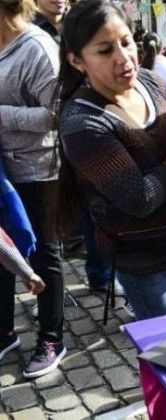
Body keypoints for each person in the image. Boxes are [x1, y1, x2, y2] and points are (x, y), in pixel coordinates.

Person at [57, 0, 166, 320]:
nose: (124, 58)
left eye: (126, 42)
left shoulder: (151, 81)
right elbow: (139, 198)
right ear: (77, 60)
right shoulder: (83, 122)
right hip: (141, 257)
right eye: (105, 51)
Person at [0, 0, 67, 378]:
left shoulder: (37, 48)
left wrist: (2, 115)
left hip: (39, 171)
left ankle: (52, 337)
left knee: (45, 252)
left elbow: (59, 112)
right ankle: (5, 331)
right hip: (3, 171)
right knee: (1, 253)